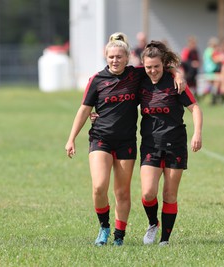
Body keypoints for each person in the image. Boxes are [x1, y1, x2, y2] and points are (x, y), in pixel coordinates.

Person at [65, 32, 185, 247]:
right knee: (99, 187)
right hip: (100, 138)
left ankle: (119, 236)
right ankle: (104, 227)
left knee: (122, 191)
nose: (115, 60)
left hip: (127, 142)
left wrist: (178, 75)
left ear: (127, 57)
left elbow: (159, 67)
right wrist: (71, 138)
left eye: (119, 57)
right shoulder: (97, 80)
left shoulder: (135, 75)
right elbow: (84, 110)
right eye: (111, 57)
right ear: (105, 57)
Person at [138, 40, 203, 245]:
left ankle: (165, 240)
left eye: (156, 66)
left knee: (169, 193)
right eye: (148, 67)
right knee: (148, 193)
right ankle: (152, 224)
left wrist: (197, 134)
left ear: (163, 64)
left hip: (175, 144)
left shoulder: (175, 82)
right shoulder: (140, 79)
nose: (152, 71)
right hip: (150, 144)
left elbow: (195, 109)